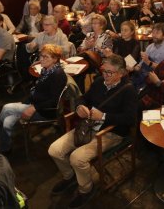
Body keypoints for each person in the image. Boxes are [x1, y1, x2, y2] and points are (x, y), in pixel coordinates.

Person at [48, 54, 137, 208]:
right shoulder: (98, 82)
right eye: (104, 71)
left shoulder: (128, 90)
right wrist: (79, 107)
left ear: (121, 73)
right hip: (88, 127)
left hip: (111, 132)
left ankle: (86, 189)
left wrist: (104, 116)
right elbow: (83, 98)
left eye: (110, 72)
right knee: (54, 150)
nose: (105, 75)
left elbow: (130, 119)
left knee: (77, 158)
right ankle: (70, 176)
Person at [0, 44, 67, 154]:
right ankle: (4, 149)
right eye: (41, 56)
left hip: (45, 111)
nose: (41, 59)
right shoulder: (47, 70)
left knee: (7, 107)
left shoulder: (57, 75)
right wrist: (24, 103)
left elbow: (53, 100)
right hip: (35, 104)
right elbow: (36, 92)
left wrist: (33, 108)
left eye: (45, 57)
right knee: (7, 122)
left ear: (55, 59)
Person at [131, 23, 164, 90]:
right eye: (153, 33)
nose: (154, 35)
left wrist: (149, 62)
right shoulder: (150, 47)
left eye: (157, 33)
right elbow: (142, 62)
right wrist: (135, 67)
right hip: (145, 72)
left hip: (159, 74)